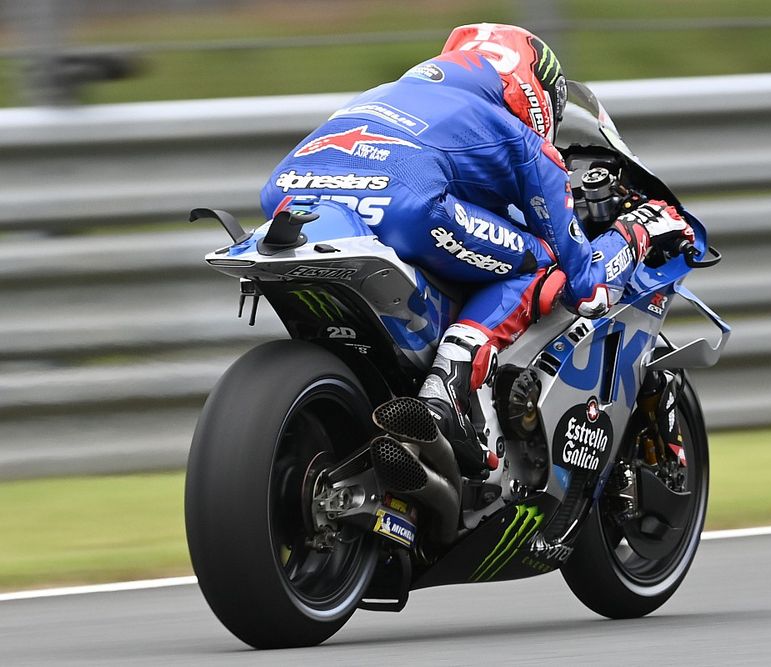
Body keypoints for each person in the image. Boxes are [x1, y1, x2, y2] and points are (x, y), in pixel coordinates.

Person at [260, 23, 693, 481]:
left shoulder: (390, 93)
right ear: (533, 86)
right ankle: (447, 389)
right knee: (544, 260)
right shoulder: (519, 137)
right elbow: (586, 286)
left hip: (289, 199)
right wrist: (636, 232)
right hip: (403, 204)